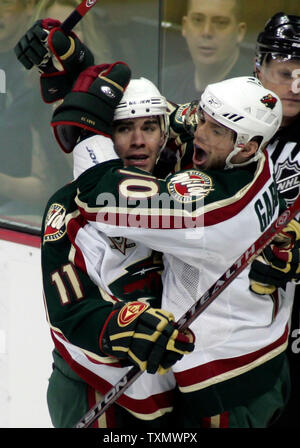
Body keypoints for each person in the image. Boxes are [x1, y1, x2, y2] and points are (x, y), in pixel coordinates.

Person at [50, 67, 300, 427]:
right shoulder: (258, 164)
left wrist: (89, 135)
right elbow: (177, 118)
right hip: (256, 361)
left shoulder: (211, 209)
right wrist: (79, 74)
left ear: (245, 145)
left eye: (215, 129)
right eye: (203, 119)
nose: (198, 131)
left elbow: (99, 196)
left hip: (227, 387)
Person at [252, 12, 300, 428]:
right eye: (286, 73)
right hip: (236, 313)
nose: (296, 86)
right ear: (259, 68)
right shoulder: (225, 122)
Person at [161, 0, 254, 104]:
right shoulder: (165, 81)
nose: (206, 32)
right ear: (185, 26)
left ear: (240, 32)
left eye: (220, 23)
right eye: (197, 20)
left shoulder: (254, 92)